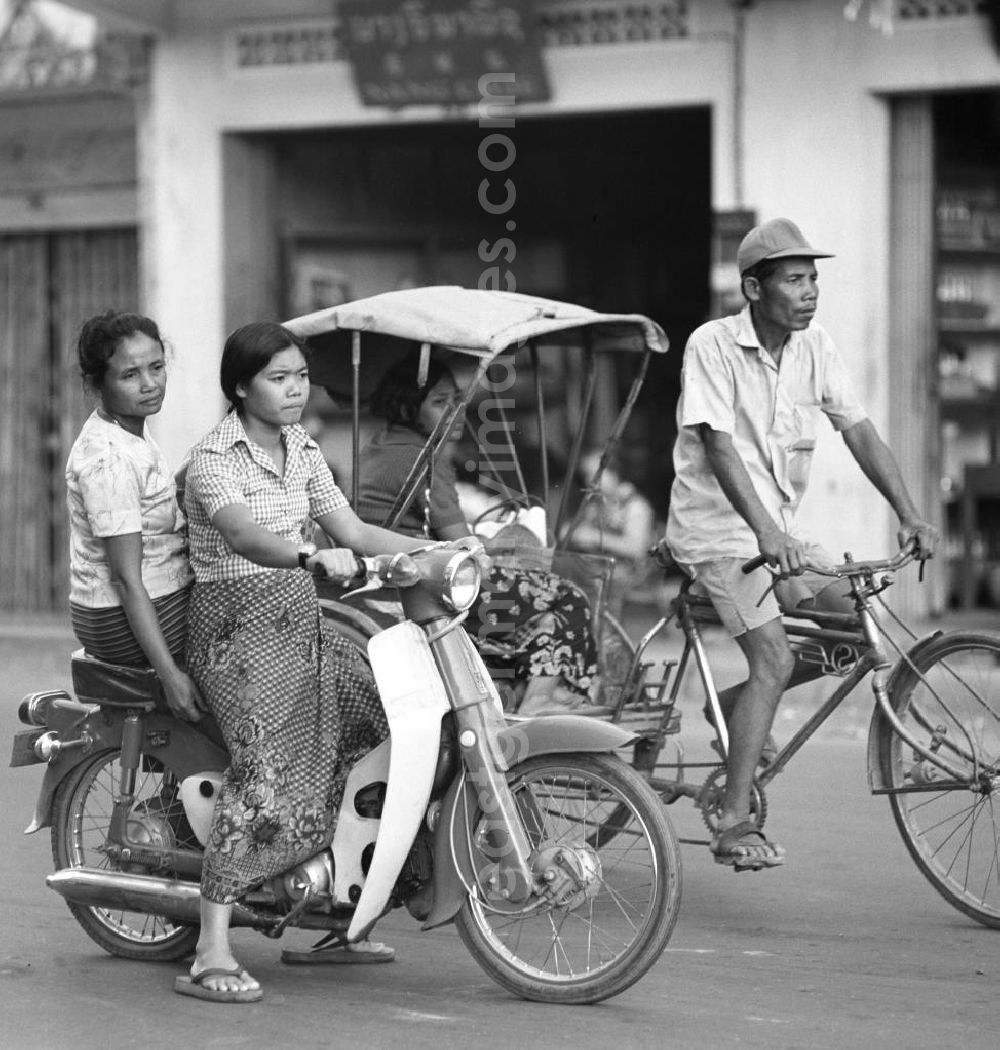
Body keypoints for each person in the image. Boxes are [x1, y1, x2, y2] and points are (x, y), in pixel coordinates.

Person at [664, 217, 938, 871]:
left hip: (779, 535)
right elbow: (718, 446)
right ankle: (733, 824)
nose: (810, 290)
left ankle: (736, 708)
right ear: (755, 290)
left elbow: (861, 431)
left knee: (858, 621)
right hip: (715, 533)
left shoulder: (816, 347)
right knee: (775, 659)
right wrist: (766, 533)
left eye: (814, 278)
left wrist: (910, 512)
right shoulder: (713, 345)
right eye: (795, 278)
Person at [177, 321, 427, 1003]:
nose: (294, 390)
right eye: (277, 378)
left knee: (374, 729)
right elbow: (242, 534)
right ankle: (211, 947)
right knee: (263, 771)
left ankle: (340, 911)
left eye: (301, 377)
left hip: (300, 617)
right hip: (235, 631)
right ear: (240, 386)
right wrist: (307, 555)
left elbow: (353, 531)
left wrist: (439, 550)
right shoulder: (212, 458)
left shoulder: (303, 449)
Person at [356, 355, 604, 716]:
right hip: (426, 582)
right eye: (440, 403)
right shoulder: (423, 456)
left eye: (457, 400)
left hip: (399, 573)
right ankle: (539, 701)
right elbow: (462, 542)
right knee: (568, 596)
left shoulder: (381, 445)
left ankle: (529, 688)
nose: (455, 412)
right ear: (408, 408)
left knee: (541, 601)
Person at [65, 310, 203, 723]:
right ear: (97, 384)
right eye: (130, 375)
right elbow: (126, 579)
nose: (150, 384)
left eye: (157, 367)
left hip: (145, 600)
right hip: (122, 617)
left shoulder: (129, 431)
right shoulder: (108, 460)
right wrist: (170, 676)